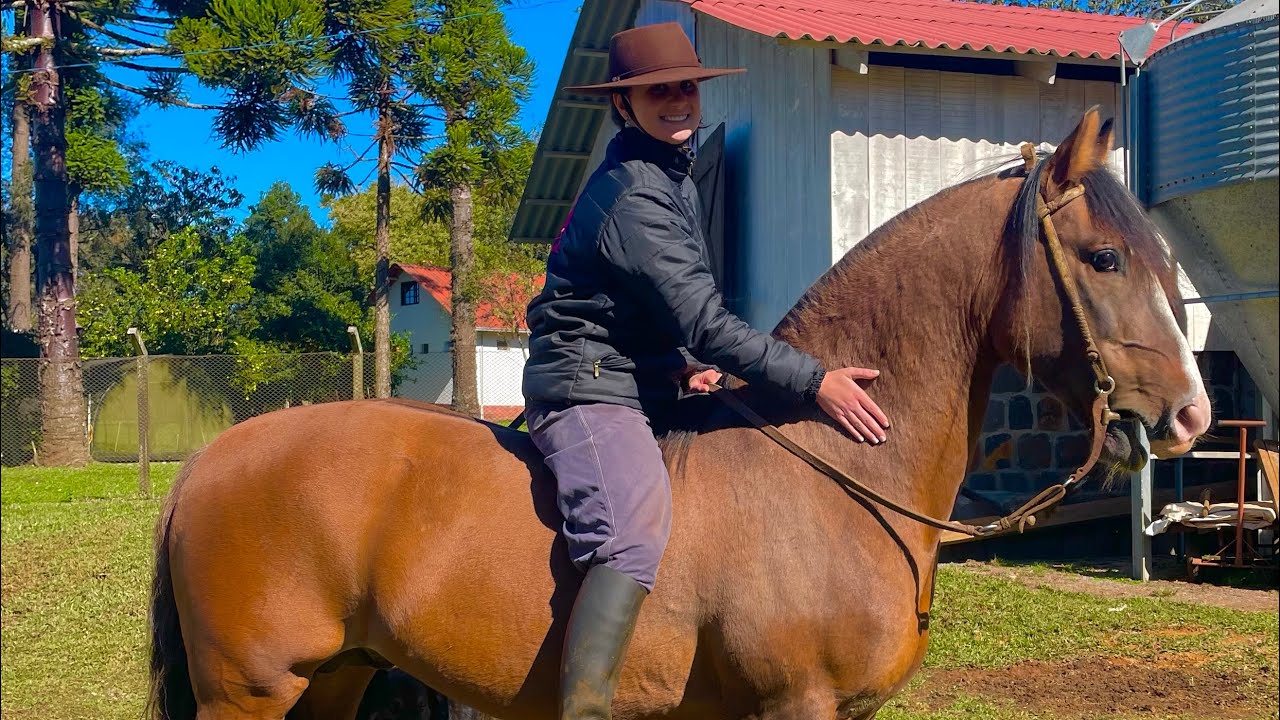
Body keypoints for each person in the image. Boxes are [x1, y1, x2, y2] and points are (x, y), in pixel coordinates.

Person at [521, 22, 890, 720]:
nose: (678, 100)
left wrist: (678, 369)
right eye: (656, 90)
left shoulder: (668, 175)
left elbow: (651, 309)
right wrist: (815, 380)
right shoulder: (634, 192)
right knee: (630, 534)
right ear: (622, 105)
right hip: (585, 383)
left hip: (633, 372)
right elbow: (708, 322)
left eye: (686, 85)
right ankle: (584, 711)